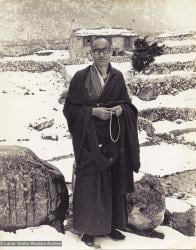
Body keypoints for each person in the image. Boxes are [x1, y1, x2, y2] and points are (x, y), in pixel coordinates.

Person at [63, 36, 140, 247]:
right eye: (96, 50)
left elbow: (128, 106)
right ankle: (87, 229)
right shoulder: (80, 78)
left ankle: (111, 226)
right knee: (89, 182)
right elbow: (69, 110)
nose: (101, 54)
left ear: (111, 51)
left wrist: (121, 110)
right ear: (91, 53)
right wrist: (93, 112)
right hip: (89, 139)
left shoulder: (117, 77)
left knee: (112, 181)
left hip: (113, 139)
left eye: (105, 50)